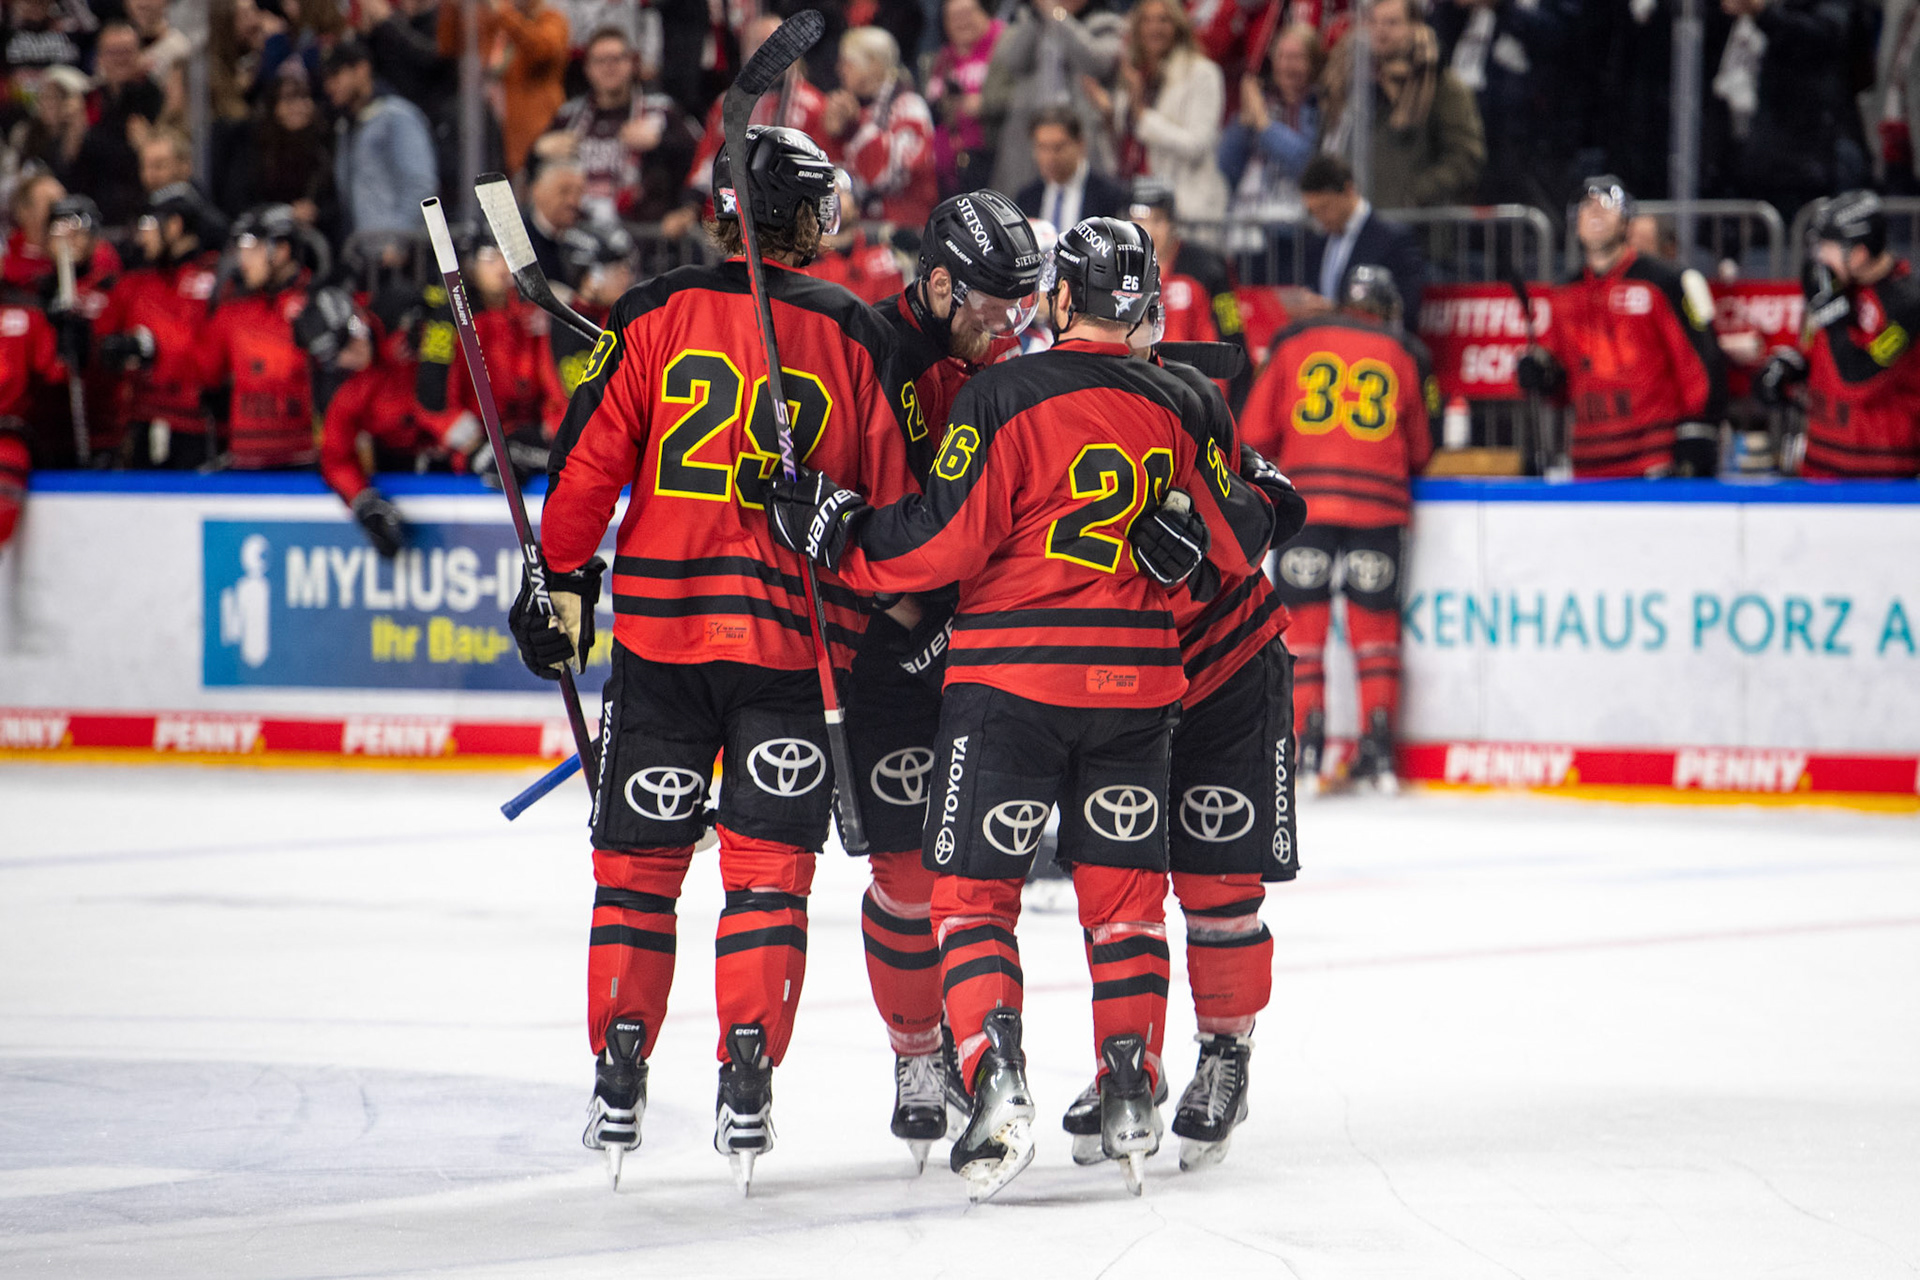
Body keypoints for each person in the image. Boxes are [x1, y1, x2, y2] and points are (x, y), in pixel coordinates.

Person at [765, 216, 1278, 1201]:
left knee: (972, 898)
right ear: (1150, 302)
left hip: (1008, 687)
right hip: (1138, 685)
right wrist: (1254, 507)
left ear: (1058, 299)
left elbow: (939, 546)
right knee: (1125, 903)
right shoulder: (1188, 399)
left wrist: (838, 533)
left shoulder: (1002, 393)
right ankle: (1131, 1084)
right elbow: (1238, 537)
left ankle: (996, 1082)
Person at [506, 126, 916, 1191]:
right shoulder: (857, 332)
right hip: (793, 647)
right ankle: (747, 1068)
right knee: (768, 880)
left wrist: (558, 580)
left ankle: (621, 1061)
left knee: (638, 872)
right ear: (805, 216)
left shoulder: (652, 309)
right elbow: (890, 517)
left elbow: (587, 468)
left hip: (661, 640)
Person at [840, 189, 1042, 1166]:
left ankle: (973, 1047)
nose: (1005, 326)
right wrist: (904, 613)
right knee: (907, 877)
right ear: (935, 282)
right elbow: (842, 520)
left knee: (977, 876)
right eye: (991, 305)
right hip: (882, 655)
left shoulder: (992, 367)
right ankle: (916, 1053)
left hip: (978, 647)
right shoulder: (863, 351)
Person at [1240, 264, 1436, 792]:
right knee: (1375, 634)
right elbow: (1421, 449)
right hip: (1379, 508)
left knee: (1303, 632)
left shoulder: (1294, 340)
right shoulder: (1403, 352)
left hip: (1307, 506)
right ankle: (1378, 754)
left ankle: (1306, 752)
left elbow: (1255, 433)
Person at [1519, 175, 1726, 478]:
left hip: (1653, 459)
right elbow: (1564, 383)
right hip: (1589, 461)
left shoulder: (1665, 282)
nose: (1596, 212)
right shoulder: (1562, 294)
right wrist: (1542, 374)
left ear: (1627, 221)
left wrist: (1698, 432)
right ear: (1575, 224)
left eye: (1608, 204)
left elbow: (1699, 362)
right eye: (1586, 206)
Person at [1757, 192, 1920, 479]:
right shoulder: (1835, 287)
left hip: (1881, 477)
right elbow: (1820, 354)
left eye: (1827, 247)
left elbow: (1857, 380)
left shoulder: (1907, 306)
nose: (1819, 257)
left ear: (1858, 254)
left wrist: (1832, 315)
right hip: (1819, 465)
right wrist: (1791, 368)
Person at [316, 285, 474, 555]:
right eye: (340, 351)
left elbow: (456, 301)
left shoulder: (397, 306)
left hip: (466, 435)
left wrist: (433, 325)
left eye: (352, 333)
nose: (355, 349)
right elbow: (335, 457)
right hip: (405, 462)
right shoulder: (345, 392)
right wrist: (363, 502)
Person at [667, 14, 830, 241]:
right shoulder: (728, 104)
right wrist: (689, 207)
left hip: (789, 231)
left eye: (776, 44)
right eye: (758, 44)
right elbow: (708, 162)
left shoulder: (815, 106)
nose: (767, 53)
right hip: (735, 228)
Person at [94, 183, 222, 468]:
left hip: (195, 428)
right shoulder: (133, 283)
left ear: (175, 226)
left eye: (150, 224)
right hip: (141, 422)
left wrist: (158, 349)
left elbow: (206, 352)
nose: (142, 235)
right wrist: (107, 348)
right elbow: (100, 347)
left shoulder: (213, 280)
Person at [1318, 0, 1484, 209]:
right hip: (1352, 221)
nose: (1380, 31)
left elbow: (1465, 157)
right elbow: (1325, 145)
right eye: (1373, 22)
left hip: (1415, 228)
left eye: (1392, 23)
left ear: (1416, 26)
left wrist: (1413, 195)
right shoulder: (1349, 83)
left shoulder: (1442, 86)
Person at [532, 25, 698, 225]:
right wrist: (537, 151)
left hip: (644, 235)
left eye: (617, 59)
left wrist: (661, 142)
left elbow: (700, 157)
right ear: (587, 68)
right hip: (580, 231)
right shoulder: (568, 116)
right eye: (600, 61)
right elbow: (534, 174)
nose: (609, 67)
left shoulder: (661, 111)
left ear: (632, 63)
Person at [197, 203, 320, 470]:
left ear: (283, 250)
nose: (243, 261)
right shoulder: (232, 311)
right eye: (242, 250)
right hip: (246, 461)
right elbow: (204, 373)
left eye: (253, 249)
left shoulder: (317, 304)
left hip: (305, 464)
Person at [1083, 0, 1227, 226]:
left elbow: (1197, 145)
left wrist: (1141, 114)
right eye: (1147, 20)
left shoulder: (1202, 73)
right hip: (1134, 206)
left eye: (1163, 20)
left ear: (1179, 27)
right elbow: (1122, 153)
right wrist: (1110, 117)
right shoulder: (1134, 74)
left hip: (1185, 209)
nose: (1154, 28)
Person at [451, 233, 570, 487]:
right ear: (471, 266)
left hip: (526, 435)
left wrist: (555, 427)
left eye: (506, 258)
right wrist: (472, 449)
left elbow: (553, 386)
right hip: (479, 441)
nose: (503, 268)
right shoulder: (457, 321)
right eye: (491, 259)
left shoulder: (532, 318)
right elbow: (440, 400)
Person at [978, 0, 1125, 196]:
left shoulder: (1107, 23)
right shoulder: (1032, 21)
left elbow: (1097, 61)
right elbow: (1012, 61)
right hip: (1029, 134)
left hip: (1082, 133)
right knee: (1024, 204)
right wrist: (1038, 17)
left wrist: (1059, 17)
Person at [1127, 179, 1250, 410]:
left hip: (1197, 399)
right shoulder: (1117, 269)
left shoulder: (1208, 269)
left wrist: (1221, 411)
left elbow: (1232, 335)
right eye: (1140, 219)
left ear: (1173, 223)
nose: (1149, 230)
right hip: (1141, 398)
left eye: (1158, 220)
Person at [322, 38, 440, 237]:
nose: (329, 86)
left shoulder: (396, 116)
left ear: (361, 69)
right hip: (363, 250)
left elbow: (420, 184)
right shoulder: (345, 125)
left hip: (396, 253)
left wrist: (399, 238)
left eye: (336, 75)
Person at [822, 27, 938, 229]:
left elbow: (888, 177)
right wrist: (834, 135)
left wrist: (856, 128)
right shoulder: (859, 108)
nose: (839, 69)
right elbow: (835, 178)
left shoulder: (910, 107)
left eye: (847, 62)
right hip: (863, 225)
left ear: (874, 66)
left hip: (905, 229)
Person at [436, 0, 568, 175]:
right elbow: (447, 47)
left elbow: (543, 51)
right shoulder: (492, 23)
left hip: (532, 139)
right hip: (489, 135)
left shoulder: (551, 19)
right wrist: (450, 8)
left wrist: (502, 12)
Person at [1218, 24, 1323, 233]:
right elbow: (1226, 166)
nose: (1287, 65)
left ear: (1312, 63)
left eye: (1296, 58)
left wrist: (1263, 124)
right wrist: (1243, 124)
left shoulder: (1319, 107)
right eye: (1282, 57)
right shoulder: (1263, 104)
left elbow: (1306, 163)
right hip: (1254, 229)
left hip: (1302, 229)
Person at [1299, 153, 1424, 314]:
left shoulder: (1393, 240)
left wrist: (1336, 312)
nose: (1320, 219)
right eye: (1313, 212)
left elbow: (1405, 309)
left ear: (1348, 190)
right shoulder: (1319, 243)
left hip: (1371, 337)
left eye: (1325, 208)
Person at [66, 22, 164, 226]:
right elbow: (71, 164)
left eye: (126, 52)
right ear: (100, 57)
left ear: (139, 54)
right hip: (95, 208)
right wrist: (75, 135)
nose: (120, 59)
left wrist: (146, 147)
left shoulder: (154, 97)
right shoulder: (89, 100)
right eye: (113, 52)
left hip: (141, 208)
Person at [924, 0, 1005, 196]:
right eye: (953, 17)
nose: (961, 22)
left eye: (967, 14)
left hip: (994, 160)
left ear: (986, 13)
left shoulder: (1004, 47)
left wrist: (984, 105)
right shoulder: (942, 60)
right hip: (953, 170)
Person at [1012, 106, 1126, 231]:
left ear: (1080, 144)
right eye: (1042, 147)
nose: (1050, 157)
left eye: (1058, 147)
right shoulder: (1027, 199)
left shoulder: (1109, 197)